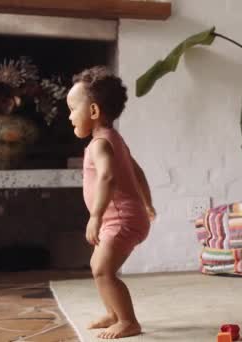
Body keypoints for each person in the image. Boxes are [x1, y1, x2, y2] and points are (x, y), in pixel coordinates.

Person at [67, 66, 155, 338]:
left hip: (120, 219)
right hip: (125, 216)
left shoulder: (100, 145)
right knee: (99, 268)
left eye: (72, 109)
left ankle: (128, 321)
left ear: (93, 112)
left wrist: (95, 216)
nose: (70, 116)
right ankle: (114, 313)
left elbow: (107, 177)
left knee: (103, 270)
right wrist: (147, 204)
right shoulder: (114, 139)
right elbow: (137, 172)